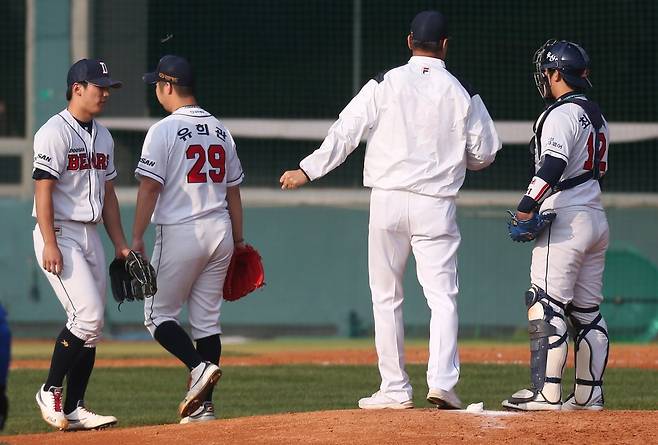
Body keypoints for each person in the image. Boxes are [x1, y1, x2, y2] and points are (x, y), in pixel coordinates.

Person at [280, 10, 500, 410]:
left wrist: (307, 170)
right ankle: (443, 384)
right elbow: (485, 153)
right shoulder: (461, 90)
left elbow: (346, 130)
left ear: (409, 41)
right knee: (443, 297)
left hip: (387, 200)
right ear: (446, 45)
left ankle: (395, 388)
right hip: (436, 203)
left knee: (386, 297)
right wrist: (455, 157)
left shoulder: (385, 82)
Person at [132, 54, 245, 423]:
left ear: (167, 86)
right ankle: (204, 407)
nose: (156, 92)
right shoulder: (220, 129)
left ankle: (198, 368)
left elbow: (149, 188)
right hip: (220, 232)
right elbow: (233, 193)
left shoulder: (162, 130)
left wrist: (135, 238)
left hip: (182, 232)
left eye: (157, 86)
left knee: (156, 314)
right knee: (207, 323)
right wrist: (240, 241)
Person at [502, 40, 610, 411]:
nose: (543, 78)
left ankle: (546, 392)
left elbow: (553, 163)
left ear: (555, 74)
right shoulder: (596, 115)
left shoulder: (560, 114)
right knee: (587, 314)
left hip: (565, 217)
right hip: (595, 216)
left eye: (547, 72)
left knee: (544, 303)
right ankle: (588, 394)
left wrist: (526, 205)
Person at [32, 59, 129, 430]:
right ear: (77, 88)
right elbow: (43, 191)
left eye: (107, 87)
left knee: (94, 326)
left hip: (90, 234)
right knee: (85, 315)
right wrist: (50, 242)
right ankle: (50, 389)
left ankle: (74, 407)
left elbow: (109, 194)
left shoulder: (103, 135)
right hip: (59, 230)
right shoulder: (53, 132)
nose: (105, 93)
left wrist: (120, 244)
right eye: (99, 86)